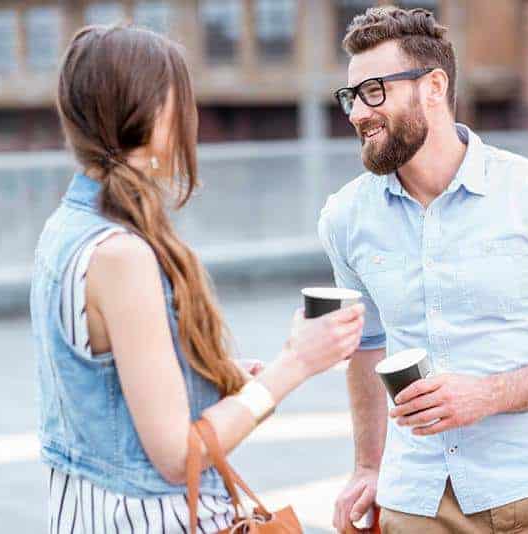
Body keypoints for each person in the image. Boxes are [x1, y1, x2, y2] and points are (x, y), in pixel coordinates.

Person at [30, 24, 365, 534]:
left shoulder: (65, 229)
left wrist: (202, 374)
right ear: (156, 113)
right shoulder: (122, 255)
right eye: (182, 103)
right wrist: (296, 364)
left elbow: (97, 386)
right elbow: (175, 455)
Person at [321, 7, 528, 533]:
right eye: (352, 96)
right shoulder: (345, 218)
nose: (357, 113)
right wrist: (368, 466)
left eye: (374, 90)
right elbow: (366, 343)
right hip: (419, 501)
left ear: (433, 87)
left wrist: (486, 395)